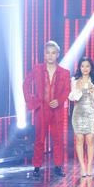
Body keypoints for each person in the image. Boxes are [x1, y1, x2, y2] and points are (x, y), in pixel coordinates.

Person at [23, 41, 70, 178]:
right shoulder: (37, 69)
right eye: (48, 52)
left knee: (58, 139)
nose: (50, 55)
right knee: (39, 139)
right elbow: (26, 84)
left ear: (58, 54)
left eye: (53, 53)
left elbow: (67, 90)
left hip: (57, 110)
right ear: (44, 54)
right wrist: (31, 100)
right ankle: (37, 167)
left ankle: (58, 166)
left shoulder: (64, 72)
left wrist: (59, 101)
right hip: (42, 108)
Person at [68, 57, 94, 177]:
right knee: (79, 140)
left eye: (87, 66)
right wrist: (78, 89)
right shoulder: (74, 80)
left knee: (90, 140)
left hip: (90, 114)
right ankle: (82, 167)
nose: (85, 68)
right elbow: (72, 97)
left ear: (91, 68)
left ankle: (89, 165)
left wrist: (93, 90)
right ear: (79, 67)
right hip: (78, 114)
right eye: (82, 66)